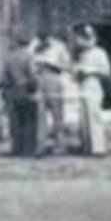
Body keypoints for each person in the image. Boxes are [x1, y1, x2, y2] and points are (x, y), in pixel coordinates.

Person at [31, 24, 71, 155]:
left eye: (44, 33)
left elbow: (67, 64)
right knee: (39, 113)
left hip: (53, 77)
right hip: (37, 78)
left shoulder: (59, 46)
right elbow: (29, 61)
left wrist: (52, 64)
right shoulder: (33, 45)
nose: (41, 35)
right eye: (39, 33)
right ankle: (39, 145)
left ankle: (60, 145)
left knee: (57, 113)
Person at [73, 24, 111, 157]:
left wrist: (90, 70)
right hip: (82, 85)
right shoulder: (81, 54)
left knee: (94, 116)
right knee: (83, 118)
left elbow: (106, 71)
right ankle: (87, 146)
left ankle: (98, 148)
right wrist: (77, 71)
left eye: (85, 38)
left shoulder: (100, 53)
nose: (80, 41)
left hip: (93, 84)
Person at [1, 28, 39, 157]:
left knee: (15, 121)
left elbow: (4, 77)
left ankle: (16, 147)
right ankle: (28, 149)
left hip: (12, 90)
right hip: (26, 89)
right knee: (29, 120)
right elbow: (32, 75)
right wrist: (34, 88)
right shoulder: (29, 56)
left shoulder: (8, 57)